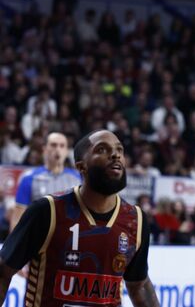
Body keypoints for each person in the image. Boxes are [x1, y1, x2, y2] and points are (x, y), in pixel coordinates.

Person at [0, 130, 159, 307]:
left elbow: (139, 285)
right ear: (81, 167)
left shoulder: (136, 219)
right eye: (102, 150)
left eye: (119, 150)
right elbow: (3, 271)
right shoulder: (46, 211)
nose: (115, 154)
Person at [10, 132, 81, 231]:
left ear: (66, 151)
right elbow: (17, 219)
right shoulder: (29, 178)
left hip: (68, 239)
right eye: (53, 145)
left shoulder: (78, 178)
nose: (58, 149)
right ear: (44, 149)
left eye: (62, 146)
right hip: (38, 238)